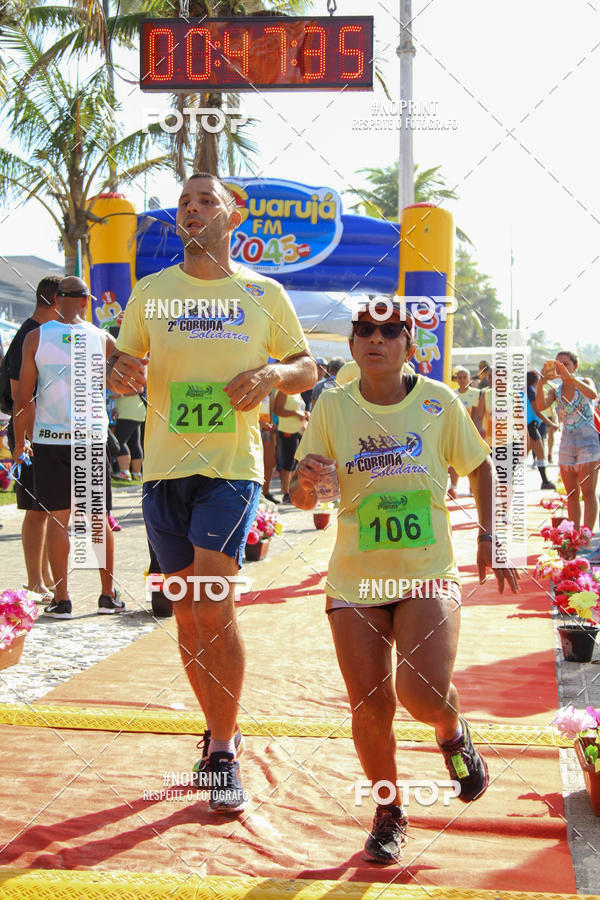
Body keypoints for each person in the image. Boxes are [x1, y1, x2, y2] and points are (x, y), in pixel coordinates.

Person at [107, 172, 316, 813]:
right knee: (188, 611)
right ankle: (216, 727)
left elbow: (307, 366)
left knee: (214, 600)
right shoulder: (153, 291)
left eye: (204, 200)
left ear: (233, 211)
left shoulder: (263, 292)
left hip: (230, 467)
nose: (191, 209)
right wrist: (116, 370)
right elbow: (120, 368)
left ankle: (223, 751)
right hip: (164, 472)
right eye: (183, 203)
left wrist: (275, 371)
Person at [290, 300, 518, 865]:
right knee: (369, 705)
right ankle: (388, 811)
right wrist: (309, 484)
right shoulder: (332, 406)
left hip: (426, 573)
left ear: (408, 345)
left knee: (422, 694)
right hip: (355, 580)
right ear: (351, 345)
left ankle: (450, 728)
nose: (376, 339)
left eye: (391, 331)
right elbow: (304, 493)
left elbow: (481, 465)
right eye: (364, 330)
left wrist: (493, 537)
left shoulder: (439, 401)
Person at [12, 276, 124, 619]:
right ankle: (107, 595)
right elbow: (123, 384)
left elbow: (23, 397)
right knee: (96, 518)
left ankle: (62, 599)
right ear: (86, 302)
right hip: (90, 436)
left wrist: (20, 443)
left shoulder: (35, 337)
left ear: (57, 300)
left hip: (51, 438)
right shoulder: (103, 339)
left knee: (58, 520)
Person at [4, 275, 61, 601]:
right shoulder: (29, 335)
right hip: (31, 434)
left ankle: (47, 579)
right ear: (56, 301)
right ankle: (34, 581)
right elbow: (18, 395)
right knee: (36, 509)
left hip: (42, 432)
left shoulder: (42, 335)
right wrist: (30, 438)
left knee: (48, 507)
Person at [536, 351, 600, 531]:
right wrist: (541, 382)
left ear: (575, 366)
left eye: (566, 364)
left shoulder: (585, 382)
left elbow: (593, 394)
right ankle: (575, 535)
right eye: (558, 364)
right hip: (567, 444)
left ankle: (586, 536)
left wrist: (571, 378)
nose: (562, 368)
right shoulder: (555, 391)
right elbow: (541, 406)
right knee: (572, 494)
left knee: (588, 493)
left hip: (588, 443)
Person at [447, 367, 481, 499]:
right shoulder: (451, 393)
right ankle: (453, 487)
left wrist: (474, 431)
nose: (461, 380)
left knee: (472, 459)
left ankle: (472, 487)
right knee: (455, 460)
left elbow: (477, 414)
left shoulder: (477, 393)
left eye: (464, 377)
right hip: (455, 431)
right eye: (459, 377)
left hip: (472, 432)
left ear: (469, 379)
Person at [274, 390, 309, 502]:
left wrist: (304, 413)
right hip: (288, 430)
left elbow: (297, 408)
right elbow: (277, 410)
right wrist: (296, 413)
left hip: (298, 430)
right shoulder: (284, 390)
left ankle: (291, 491)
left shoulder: (296, 391)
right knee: (288, 462)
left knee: (294, 462)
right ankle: (285, 493)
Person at [526, 370, 556, 490]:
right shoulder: (531, 391)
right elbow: (537, 410)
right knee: (540, 454)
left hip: (528, 426)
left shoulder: (526, 390)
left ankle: (545, 481)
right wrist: (551, 423)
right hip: (530, 426)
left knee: (524, 455)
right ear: (536, 380)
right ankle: (545, 482)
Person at [113, 390, 146, 482]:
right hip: (134, 411)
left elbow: (139, 389)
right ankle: (136, 474)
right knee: (134, 443)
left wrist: (121, 394)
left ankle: (125, 473)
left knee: (120, 441)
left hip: (129, 412)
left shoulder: (131, 376)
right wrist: (116, 407)